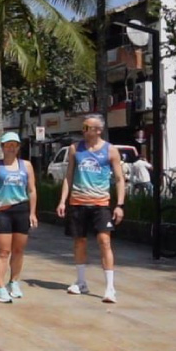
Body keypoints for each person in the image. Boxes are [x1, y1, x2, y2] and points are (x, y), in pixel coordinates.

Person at [57, 115, 125, 303]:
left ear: (98, 130)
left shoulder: (110, 150)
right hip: (78, 202)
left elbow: (120, 179)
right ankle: (81, 282)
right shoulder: (74, 149)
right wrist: (63, 201)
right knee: (79, 242)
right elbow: (68, 176)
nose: (85, 130)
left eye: (88, 127)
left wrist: (119, 205)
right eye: (84, 127)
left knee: (104, 241)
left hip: (100, 203)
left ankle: (110, 288)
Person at [0, 132, 38, 304]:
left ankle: (14, 281)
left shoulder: (26, 166)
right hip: (1, 211)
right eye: (8, 144)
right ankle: (0, 287)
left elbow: (31, 190)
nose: (11, 147)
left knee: (19, 250)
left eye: (14, 144)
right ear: (2, 147)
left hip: (21, 209)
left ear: (19, 147)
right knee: (3, 251)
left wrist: (32, 212)